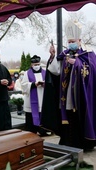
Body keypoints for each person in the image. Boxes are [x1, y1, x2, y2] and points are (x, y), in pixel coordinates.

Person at [42, 20, 96, 150]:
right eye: (69, 41)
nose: (71, 44)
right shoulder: (65, 54)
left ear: (79, 40)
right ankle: (68, 142)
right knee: (68, 117)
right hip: (66, 94)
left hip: (81, 95)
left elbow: (93, 70)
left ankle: (84, 143)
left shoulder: (88, 54)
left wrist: (76, 64)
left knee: (79, 116)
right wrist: (53, 56)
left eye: (73, 41)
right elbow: (55, 71)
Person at [21, 55, 46, 135]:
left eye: (38, 64)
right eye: (35, 65)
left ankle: (43, 131)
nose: (37, 66)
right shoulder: (27, 73)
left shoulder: (45, 72)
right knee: (31, 117)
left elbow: (50, 84)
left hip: (42, 98)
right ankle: (31, 132)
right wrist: (33, 84)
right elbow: (24, 85)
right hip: (31, 101)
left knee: (42, 115)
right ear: (31, 65)